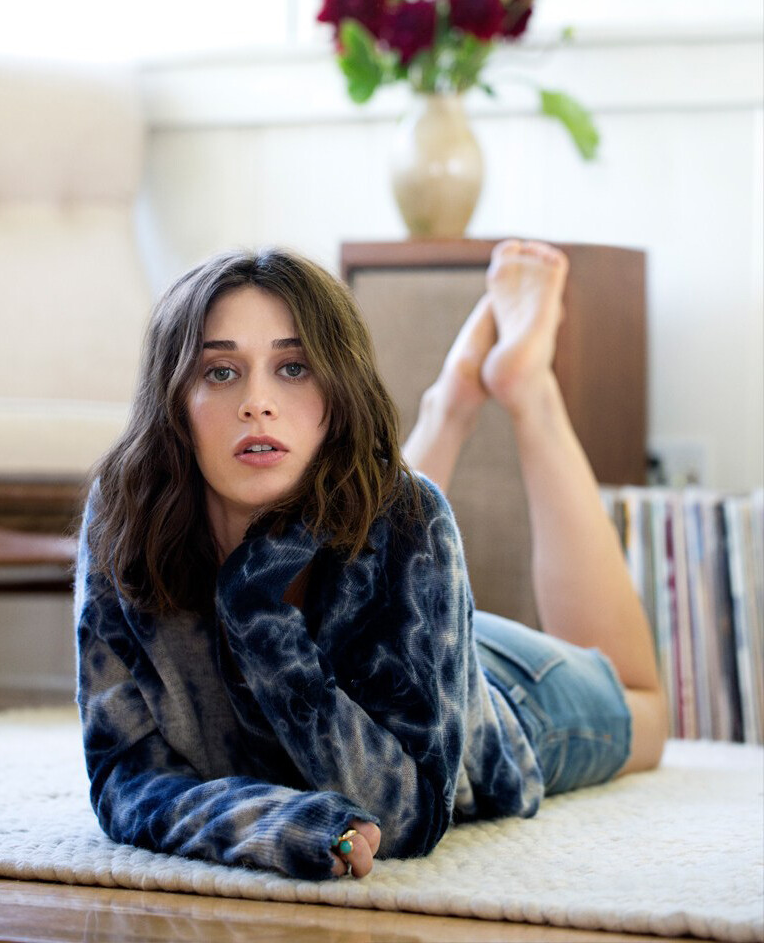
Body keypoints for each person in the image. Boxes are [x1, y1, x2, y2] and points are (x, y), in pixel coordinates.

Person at [75, 239, 667, 881]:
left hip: (503, 697)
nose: (257, 402)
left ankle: (526, 391)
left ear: (338, 395)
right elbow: (124, 779)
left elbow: (410, 815)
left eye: (293, 368)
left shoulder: (413, 516)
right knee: (389, 512)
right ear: (172, 402)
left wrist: (255, 610)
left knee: (647, 708)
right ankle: (449, 404)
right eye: (220, 372)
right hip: (408, 626)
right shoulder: (126, 513)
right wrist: (275, 822)